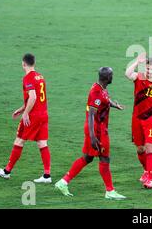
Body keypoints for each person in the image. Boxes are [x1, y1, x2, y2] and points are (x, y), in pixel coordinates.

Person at [54, 67, 126, 200]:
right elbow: (91, 115)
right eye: (111, 75)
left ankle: (63, 182)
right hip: (97, 130)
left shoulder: (101, 88)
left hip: (98, 129)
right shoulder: (96, 92)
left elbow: (105, 100)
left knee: (88, 157)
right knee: (104, 158)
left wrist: (115, 105)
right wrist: (93, 136)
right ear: (106, 78)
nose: (112, 77)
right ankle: (110, 191)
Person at [0, 53, 51, 183]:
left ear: (23, 64)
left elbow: (33, 97)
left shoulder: (28, 78)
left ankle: (6, 172)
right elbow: (37, 98)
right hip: (43, 114)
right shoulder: (40, 77)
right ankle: (47, 176)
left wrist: (26, 113)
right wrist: (22, 108)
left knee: (19, 141)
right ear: (34, 63)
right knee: (42, 143)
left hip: (33, 116)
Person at [125, 54, 152, 189]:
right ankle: (146, 171)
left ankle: (149, 179)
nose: (150, 72)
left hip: (151, 119)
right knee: (140, 149)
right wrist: (136, 62)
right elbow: (127, 74)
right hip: (137, 118)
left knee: (150, 148)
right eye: (148, 69)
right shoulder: (138, 77)